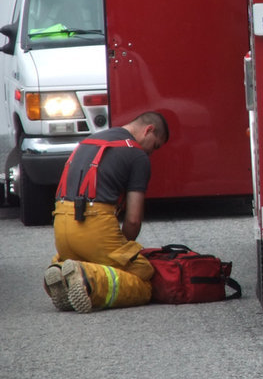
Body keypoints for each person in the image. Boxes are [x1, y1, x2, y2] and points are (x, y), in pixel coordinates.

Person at [42, 111, 170, 313]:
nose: (151, 153)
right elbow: (133, 221)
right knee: (144, 275)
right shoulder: (137, 155)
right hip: (94, 228)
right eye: (154, 146)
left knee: (92, 257)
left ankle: (62, 271)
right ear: (149, 130)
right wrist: (124, 251)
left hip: (61, 227)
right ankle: (87, 279)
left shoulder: (89, 141)